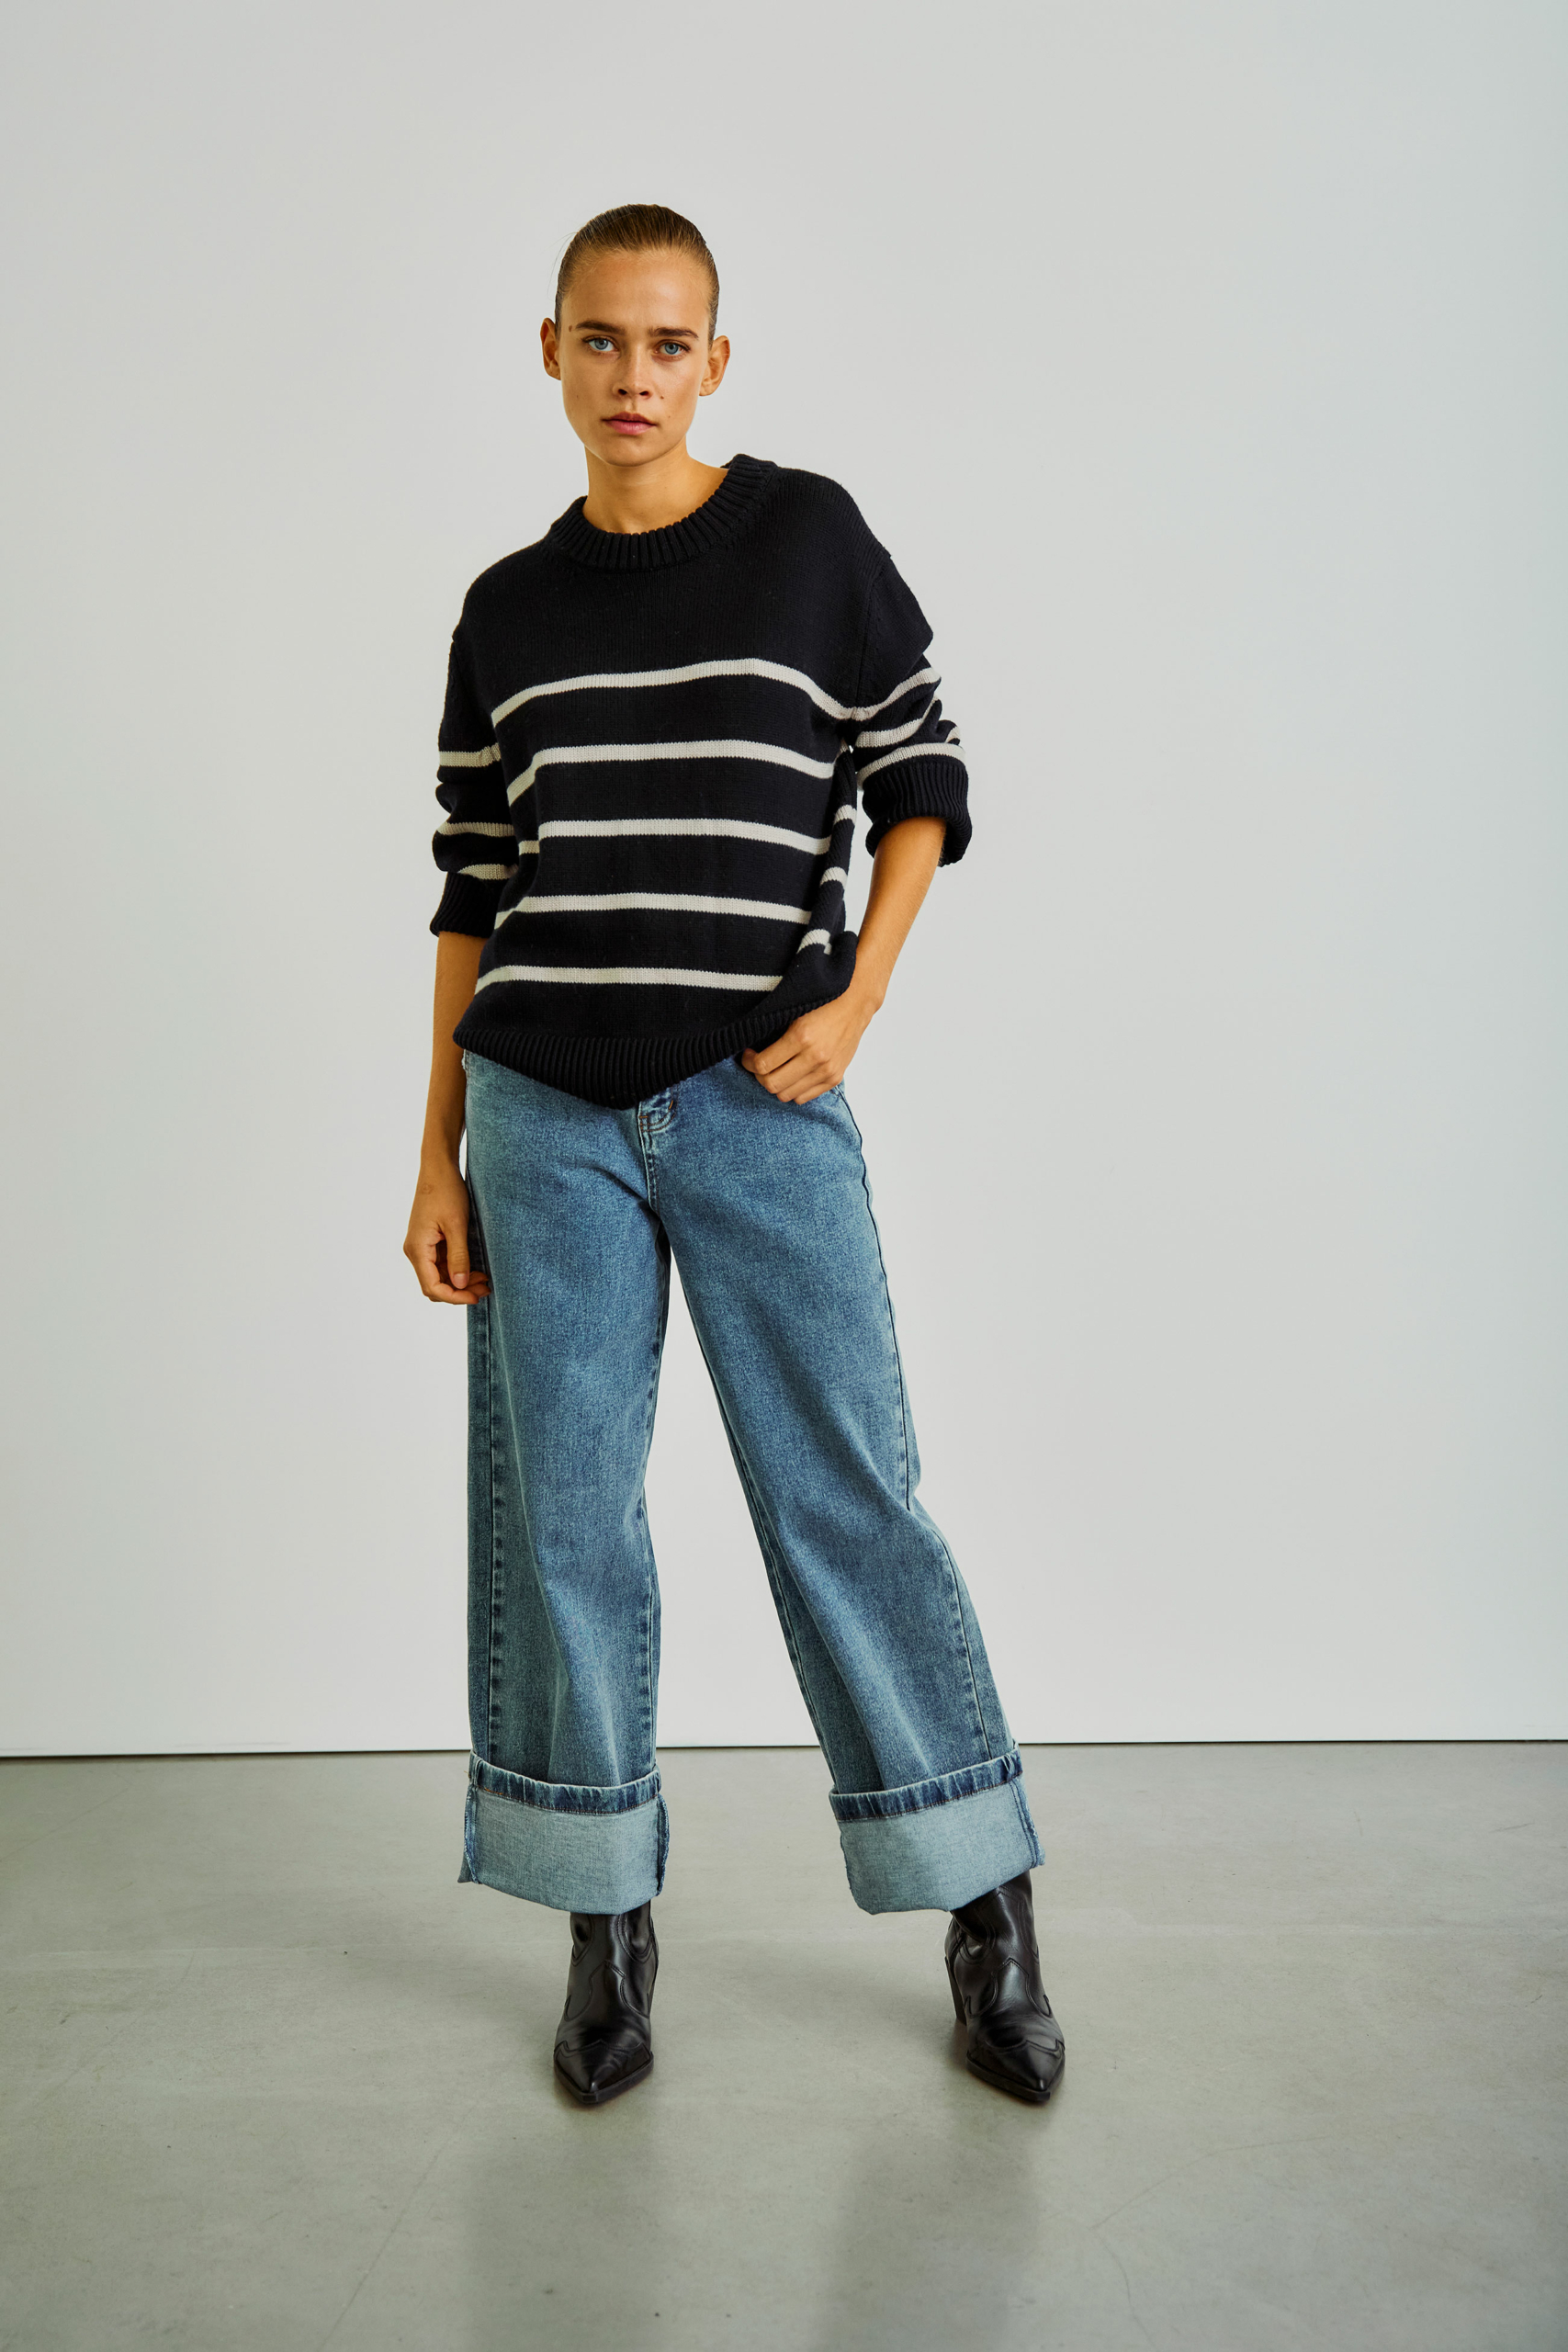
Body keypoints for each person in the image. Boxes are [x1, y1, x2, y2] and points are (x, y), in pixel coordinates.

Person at [403, 203, 1065, 2109]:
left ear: (716, 359)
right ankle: (602, 1917)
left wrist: (857, 1000)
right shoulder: (505, 613)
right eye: (601, 340)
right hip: (543, 1111)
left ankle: (983, 1901)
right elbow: (472, 891)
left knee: (843, 1493)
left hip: (760, 1094)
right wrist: (437, 1150)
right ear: (549, 351)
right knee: (565, 1519)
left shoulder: (806, 541)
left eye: (668, 342)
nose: (634, 376)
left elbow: (919, 783)